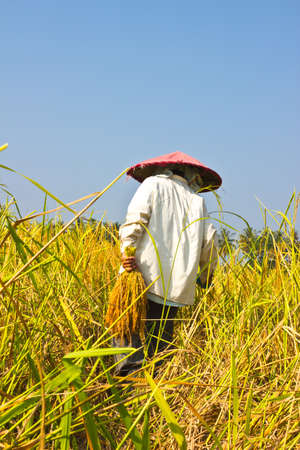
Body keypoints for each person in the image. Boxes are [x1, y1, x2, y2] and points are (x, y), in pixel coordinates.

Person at [113, 151, 222, 376]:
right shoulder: (197, 201)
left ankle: (129, 380)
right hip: (176, 284)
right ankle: (159, 386)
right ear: (193, 176)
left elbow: (135, 222)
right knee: (161, 336)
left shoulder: (152, 184)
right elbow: (210, 242)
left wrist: (126, 251)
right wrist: (204, 277)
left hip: (141, 273)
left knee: (126, 325)